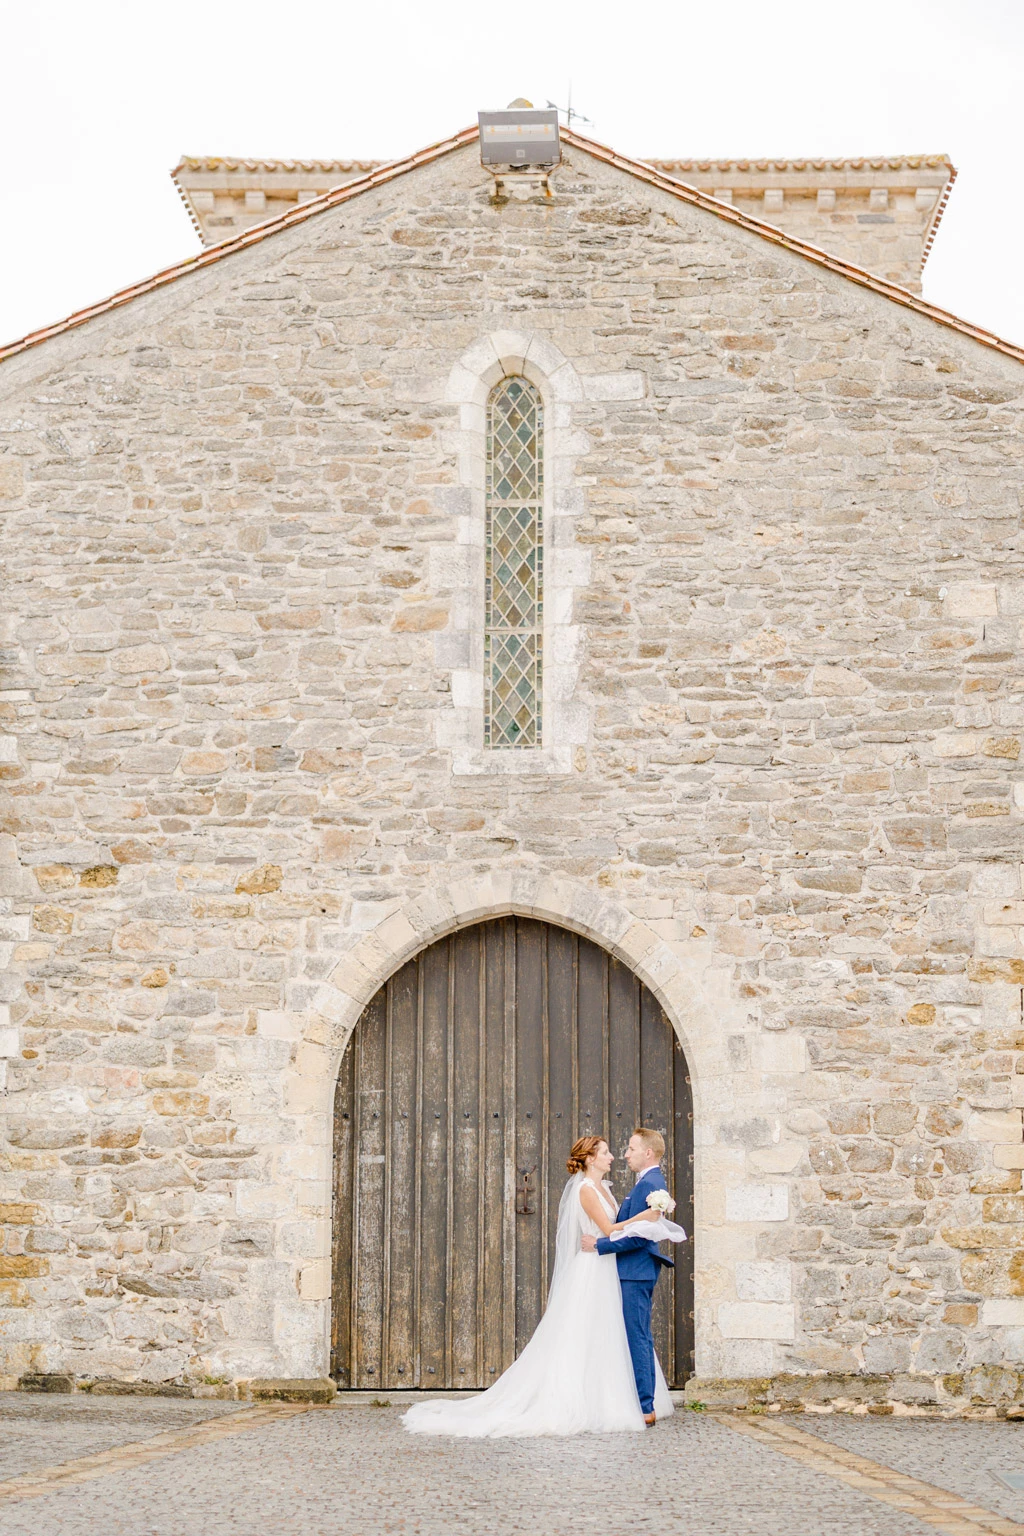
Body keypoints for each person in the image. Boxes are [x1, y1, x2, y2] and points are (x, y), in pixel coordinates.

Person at [401, 1134, 677, 1437]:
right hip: (593, 1268)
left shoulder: (607, 1189)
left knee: (608, 1334)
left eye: (622, 1150)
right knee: (587, 1334)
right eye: (606, 1152)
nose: (615, 1156)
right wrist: (643, 1217)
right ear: (590, 1158)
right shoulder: (586, 1190)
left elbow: (614, 1231)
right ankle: (593, 1401)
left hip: (608, 1266)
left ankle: (615, 1397)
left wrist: (620, 1232)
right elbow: (610, 1229)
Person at [581, 1127, 674, 1426]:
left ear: (647, 1152)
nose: (624, 1155)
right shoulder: (645, 1183)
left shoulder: (651, 1183)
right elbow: (634, 1226)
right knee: (633, 1335)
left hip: (635, 1271)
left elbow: (639, 1236)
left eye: (631, 1149)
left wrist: (600, 1245)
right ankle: (636, 1400)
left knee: (637, 1337)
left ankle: (645, 1407)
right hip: (629, 1270)